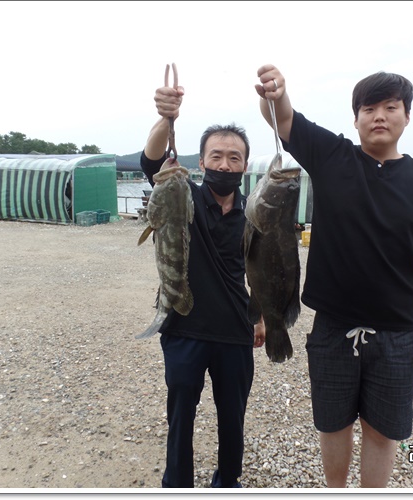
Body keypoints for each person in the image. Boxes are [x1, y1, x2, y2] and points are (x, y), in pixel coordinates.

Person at [254, 65, 413, 488]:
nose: (379, 116)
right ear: (356, 119)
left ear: (407, 116)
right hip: (332, 327)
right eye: (369, 108)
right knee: (333, 425)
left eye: (391, 107)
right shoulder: (333, 156)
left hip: (396, 332)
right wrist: (275, 94)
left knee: (382, 431)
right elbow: (283, 119)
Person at [140, 74, 265, 488]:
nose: (224, 165)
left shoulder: (253, 212)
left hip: (235, 330)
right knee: (181, 415)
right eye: (216, 156)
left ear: (244, 165)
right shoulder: (182, 194)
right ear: (201, 162)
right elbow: (152, 161)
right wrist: (166, 118)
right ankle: (178, 484)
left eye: (234, 158)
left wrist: (261, 316)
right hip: (183, 327)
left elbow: (256, 268)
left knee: (233, 416)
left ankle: (227, 482)